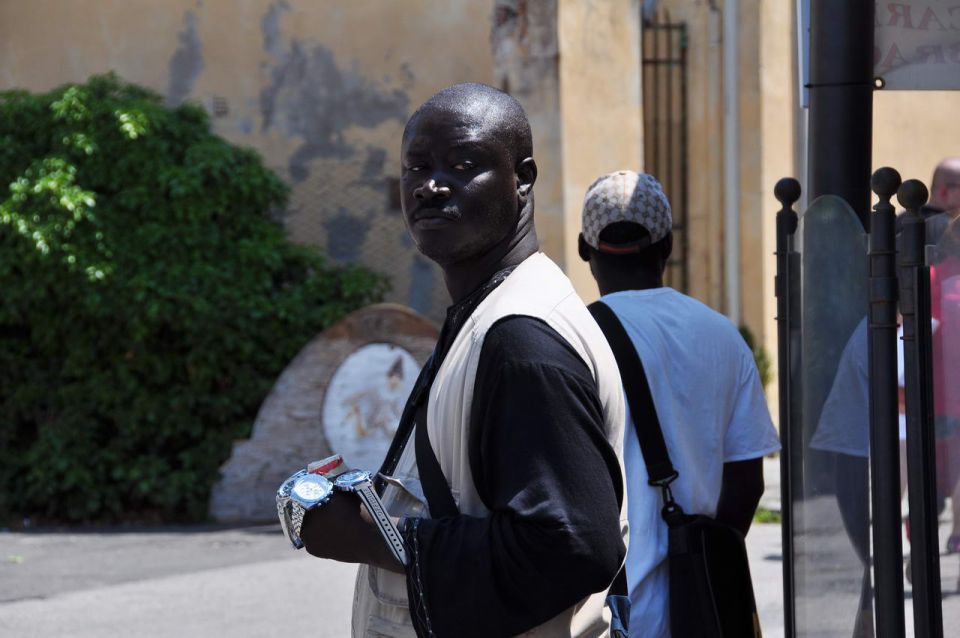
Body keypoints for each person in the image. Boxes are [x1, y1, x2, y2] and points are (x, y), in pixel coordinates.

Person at [298, 84, 628, 637]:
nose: (430, 186)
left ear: (522, 179)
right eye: (416, 167)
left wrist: (370, 535)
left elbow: (571, 544)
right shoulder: (490, 310)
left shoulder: (522, 337)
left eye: (463, 164)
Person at [577, 170, 780, 637]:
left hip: (609, 613)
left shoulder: (573, 341)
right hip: (701, 612)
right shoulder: (723, 337)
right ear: (667, 245)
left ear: (586, 251)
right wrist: (702, 561)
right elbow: (748, 480)